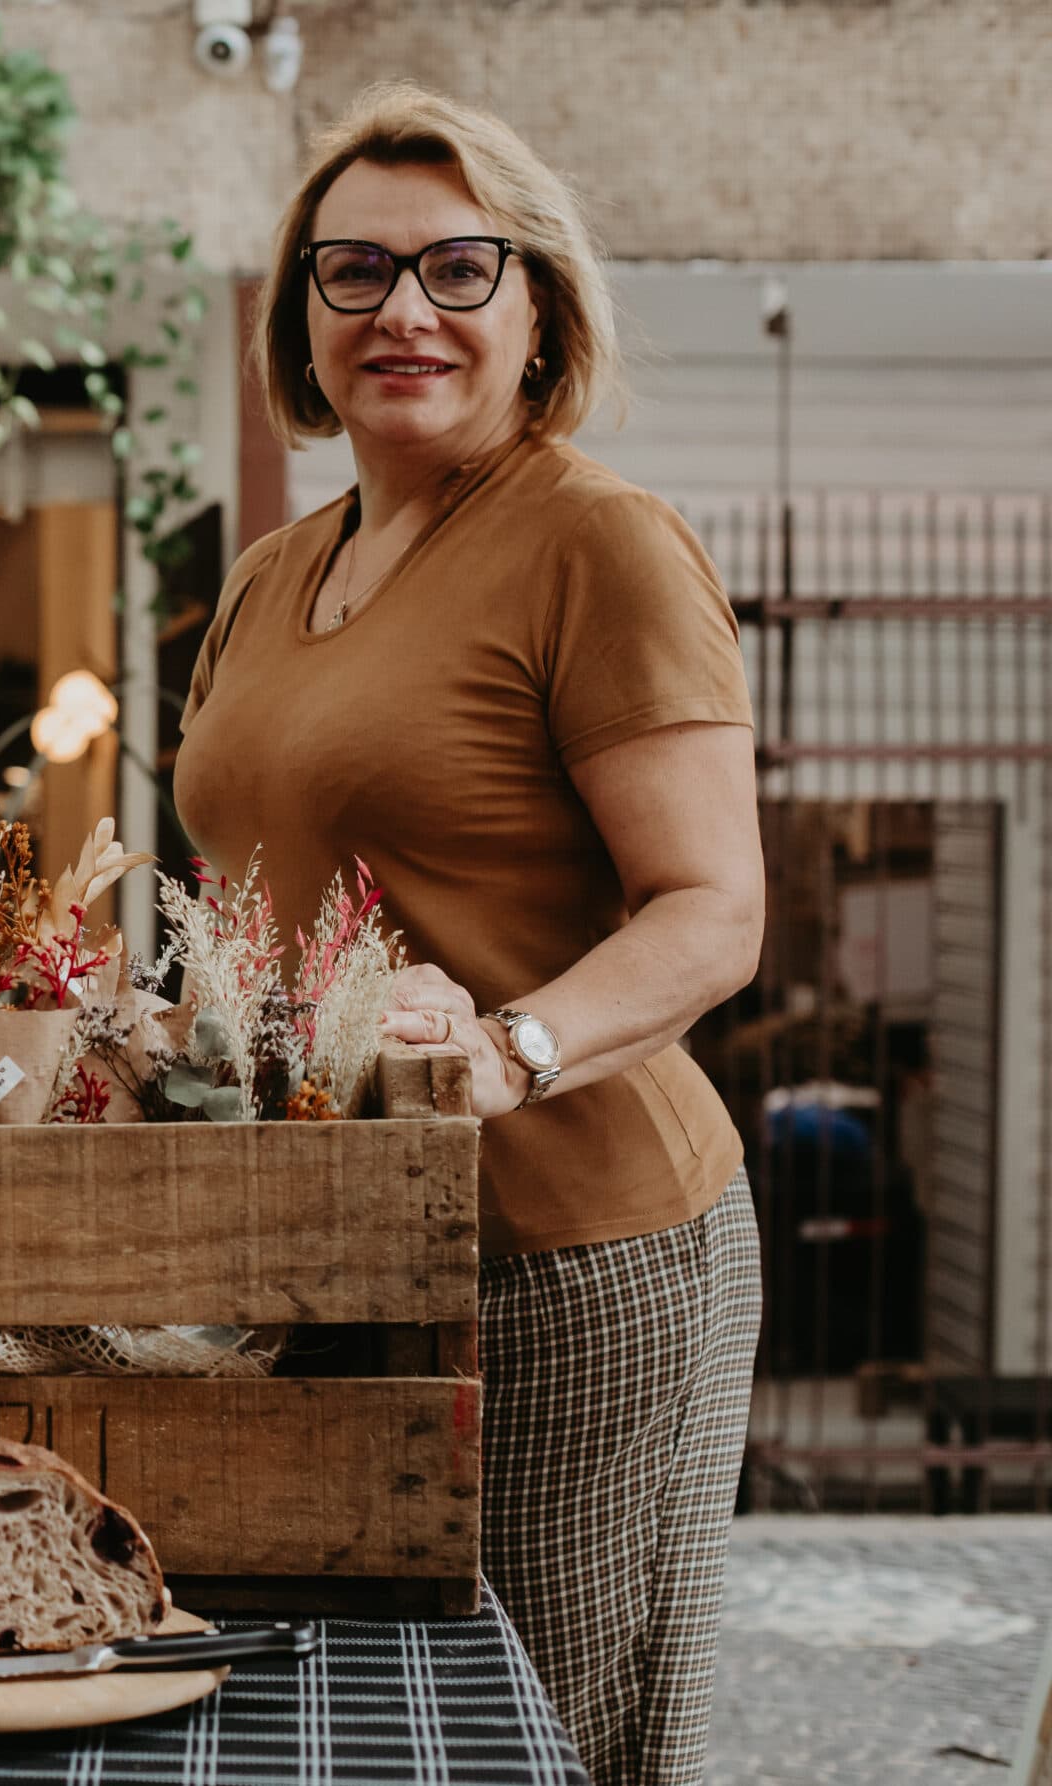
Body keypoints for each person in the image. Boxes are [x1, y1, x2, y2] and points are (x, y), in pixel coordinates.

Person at [174, 85, 764, 1786]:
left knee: (545, 1737)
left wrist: (510, 1050)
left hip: (579, 1247)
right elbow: (258, 893)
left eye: (456, 267)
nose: (402, 311)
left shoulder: (596, 544)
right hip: (344, 1248)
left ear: (538, 310)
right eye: (352, 271)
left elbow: (715, 910)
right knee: (368, 1739)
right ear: (302, 313)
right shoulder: (275, 572)